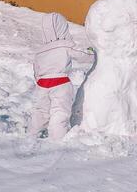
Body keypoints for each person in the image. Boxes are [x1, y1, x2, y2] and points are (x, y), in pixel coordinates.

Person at [28, 11, 95, 141]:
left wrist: (39, 80)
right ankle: (57, 137)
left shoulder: (40, 51)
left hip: (42, 85)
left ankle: (32, 134)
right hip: (60, 83)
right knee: (59, 111)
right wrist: (92, 52)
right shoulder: (64, 44)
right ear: (62, 28)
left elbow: (36, 70)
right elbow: (82, 55)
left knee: (40, 111)